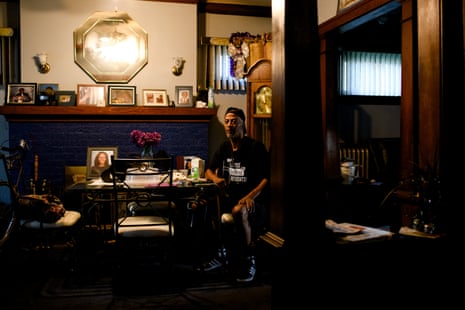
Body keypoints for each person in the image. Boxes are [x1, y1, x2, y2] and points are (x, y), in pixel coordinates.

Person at [200, 106, 270, 283]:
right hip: (228, 198)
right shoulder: (224, 147)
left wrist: (251, 196)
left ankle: (249, 260)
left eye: (234, 121)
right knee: (202, 205)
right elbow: (208, 171)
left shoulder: (255, 147)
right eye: (227, 121)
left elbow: (267, 178)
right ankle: (221, 253)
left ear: (242, 124)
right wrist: (216, 179)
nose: (229, 125)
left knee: (239, 211)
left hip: (254, 202)